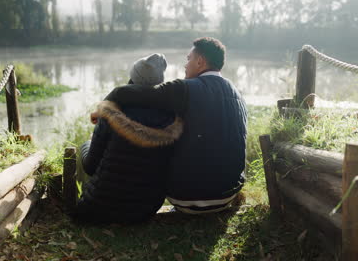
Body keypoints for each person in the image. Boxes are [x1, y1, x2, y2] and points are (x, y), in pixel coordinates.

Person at [93, 37, 248, 214]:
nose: (185, 65)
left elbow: (133, 93)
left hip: (184, 197)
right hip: (226, 196)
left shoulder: (185, 88)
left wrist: (103, 107)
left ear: (200, 61)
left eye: (188, 59)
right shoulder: (238, 94)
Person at [75, 54, 183, 223]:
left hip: (97, 208)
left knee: (84, 147)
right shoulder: (173, 120)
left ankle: (77, 197)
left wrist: (88, 144)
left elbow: (90, 167)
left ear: (132, 77)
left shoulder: (112, 112)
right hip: (145, 211)